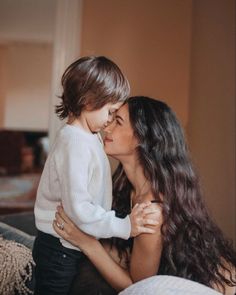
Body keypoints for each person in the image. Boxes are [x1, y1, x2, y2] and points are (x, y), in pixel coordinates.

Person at [54, 96, 236, 295]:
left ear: (142, 137)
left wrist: (86, 243)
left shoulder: (152, 209)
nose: (107, 126)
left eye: (118, 121)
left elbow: (137, 288)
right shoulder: (126, 187)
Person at [33, 58, 159, 295]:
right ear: (89, 101)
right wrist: (125, 226)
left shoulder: (88, 136)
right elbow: (78, 208)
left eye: (116, 117)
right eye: (110, 112)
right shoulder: (75, 143)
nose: (109, 122)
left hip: (70, 245)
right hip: (59, 247)